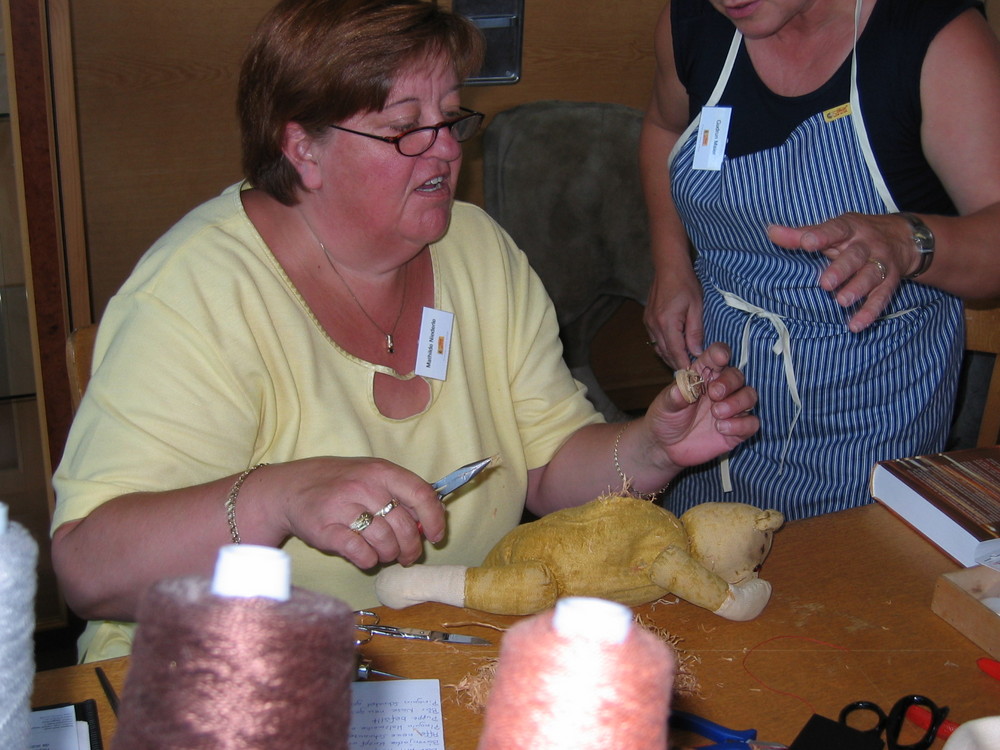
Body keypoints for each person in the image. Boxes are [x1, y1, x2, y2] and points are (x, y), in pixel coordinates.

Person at [50, 0, 759, 663]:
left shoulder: (478, 251)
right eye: (404, 128)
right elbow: (87, 572)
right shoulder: (196, 292)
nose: (445, 150)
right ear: (303, 147)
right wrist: (275, 495)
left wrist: (651, 447)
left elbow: (546, 465)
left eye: (450, 119)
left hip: (430, 653)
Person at [640, 0, 1000, 520]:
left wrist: (909, 241)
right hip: (718, 395)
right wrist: (671, 264)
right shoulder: (693, 23)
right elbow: (664, 127)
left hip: (872, 415)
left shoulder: (932, 36)